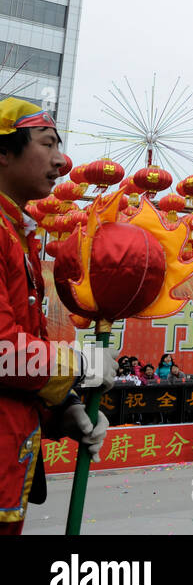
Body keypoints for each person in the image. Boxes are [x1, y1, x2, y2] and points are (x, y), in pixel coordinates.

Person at [0, 99, 112, 534]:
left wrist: (64, 407)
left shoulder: (19, 236)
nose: (61, 161)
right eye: (47, 144)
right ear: (3, 152)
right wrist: (82, 365)